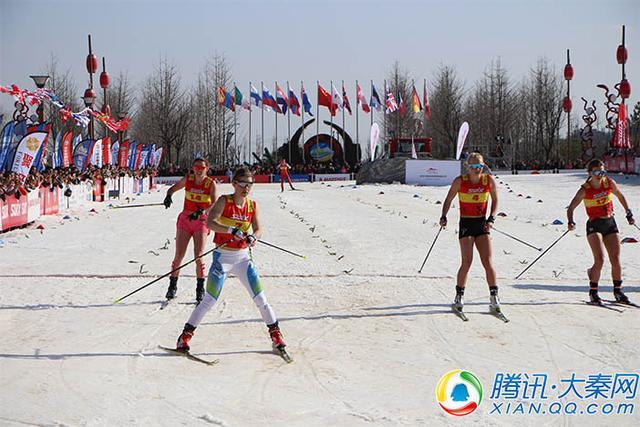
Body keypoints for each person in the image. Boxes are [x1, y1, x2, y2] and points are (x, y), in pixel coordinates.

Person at [174, 167, 286, 353]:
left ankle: (276, 335)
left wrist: (253, 238)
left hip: (243, 259)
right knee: (209, 299)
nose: (246, 188)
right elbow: (210, 222)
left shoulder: (252, 205)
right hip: (223, 258)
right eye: (243, 184)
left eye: (250, 184)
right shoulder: (224, 201)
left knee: (261, 299)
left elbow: (258, 229)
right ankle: (184, 337)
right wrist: (230, 230)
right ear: (234, 184)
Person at [566, 159, 635, 304]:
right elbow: (571, 207)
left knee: (615, 259)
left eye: (603, 172)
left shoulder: (609, 183)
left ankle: (618, 291)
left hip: (610, 223)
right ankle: (593, 292)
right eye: (597, 172)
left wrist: (628, 212)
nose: (600, 175)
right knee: (600, 259)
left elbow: (620, 196)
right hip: (594, 225)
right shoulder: (585, 189)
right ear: (590, 173)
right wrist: (570, 221)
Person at [439, 152, 501, 314]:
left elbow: (495, 200)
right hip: (466, 223)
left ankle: (494, 297)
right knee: (467, 262)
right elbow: (448, 199)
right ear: (468, 166)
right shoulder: (460, 181)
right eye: (474, 167)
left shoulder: (488, 180)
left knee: (487, 262)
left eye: (480, 166)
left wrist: (491, 219)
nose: (477, 170)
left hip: (481, 223)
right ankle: (459, 296)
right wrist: (444, 216)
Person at [163, 158, 218, 303]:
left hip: (201, 222)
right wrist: (168, 196)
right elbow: (172, 188)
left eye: (202, 168)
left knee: (198, 256)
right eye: (196, 167)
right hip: (185, 220)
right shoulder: (188, 179)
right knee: (179, 255)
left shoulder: (210, 184)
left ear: (207, 168)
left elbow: (215, 204)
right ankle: (172, 286)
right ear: (193, 168)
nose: (199, 170)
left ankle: (200, 289)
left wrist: (202, 211)